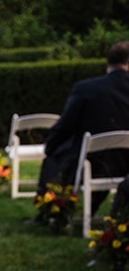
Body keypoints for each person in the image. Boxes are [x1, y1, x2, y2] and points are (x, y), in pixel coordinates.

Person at [37, 40, 129, 214]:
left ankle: (51, 212)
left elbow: (65, 126)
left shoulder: (86, 89)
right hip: (126, 164)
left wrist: (51, 145)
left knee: (55, 158)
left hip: (93, 162)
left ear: (108, 62)